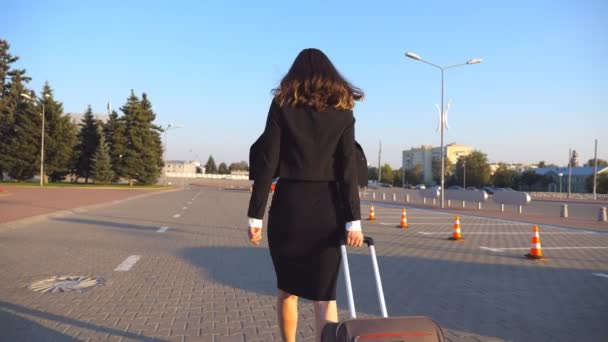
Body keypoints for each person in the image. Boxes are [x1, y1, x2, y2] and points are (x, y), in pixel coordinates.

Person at [246, 48, 364, 342]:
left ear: (295, 75)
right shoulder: (343, 114)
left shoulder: (281, 106)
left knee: (287, 290)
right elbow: (347, 170)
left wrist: (255, 215)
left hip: (289, 209)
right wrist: (354, 221)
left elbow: (267, 162)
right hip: (328, 210)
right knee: (325, 297)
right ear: (331, 77)